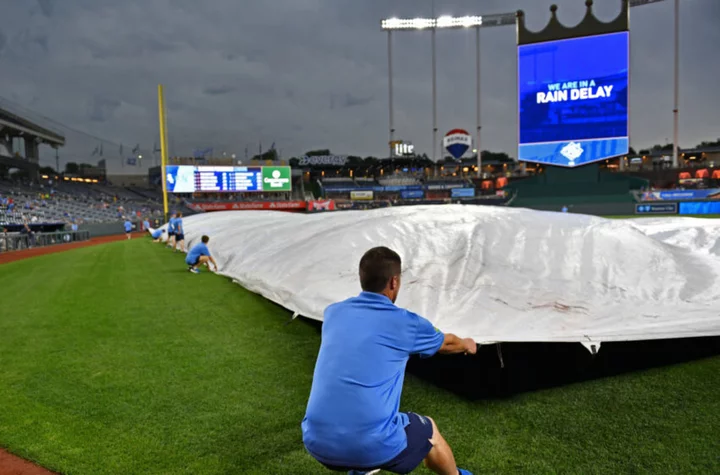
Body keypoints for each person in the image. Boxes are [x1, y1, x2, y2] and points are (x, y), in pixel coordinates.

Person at [301, 247, 476, 475]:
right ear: (394, 282)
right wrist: (467, 344)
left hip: (315, 441)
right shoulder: (405, 323)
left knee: (366, 424)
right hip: (367, 446)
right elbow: (447, 344)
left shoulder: (333, 313)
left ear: (361, 278)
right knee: (430, 430)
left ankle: (361, 468)